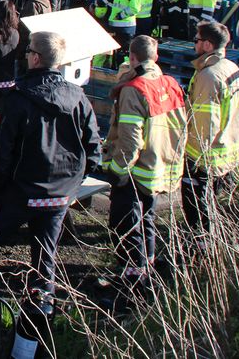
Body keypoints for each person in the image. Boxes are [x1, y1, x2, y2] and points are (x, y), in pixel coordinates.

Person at [0, 31, 101, 356]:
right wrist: (72, 185)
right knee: (44, 258)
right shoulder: (78, 97)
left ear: (36, 58)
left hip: (20, 192)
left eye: (27, 51)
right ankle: (36, 324)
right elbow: (94, 150)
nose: (24, 55)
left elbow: (1, 154)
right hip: (59, 195)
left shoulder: (17, 99)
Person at [103, 36, 186, 292]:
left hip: (136, 172)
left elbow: (131, 140)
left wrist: (117, 172)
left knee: (126, 226)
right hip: (160, 167)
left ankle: (133, 280)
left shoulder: (134, 89)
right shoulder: (170, 84)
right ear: (156, 57)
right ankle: (146, 267)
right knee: (146, 219)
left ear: (132, 57)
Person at [183, 21, 239, 236]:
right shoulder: (231, 68)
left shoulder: (208, 76)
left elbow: (205, 124)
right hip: (226, 152)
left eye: (197, 40)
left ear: (208, 45)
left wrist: (193, 159)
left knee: (198, 210)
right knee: (214, 206)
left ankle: (200, 245)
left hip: (204, 158)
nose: (194, 44)